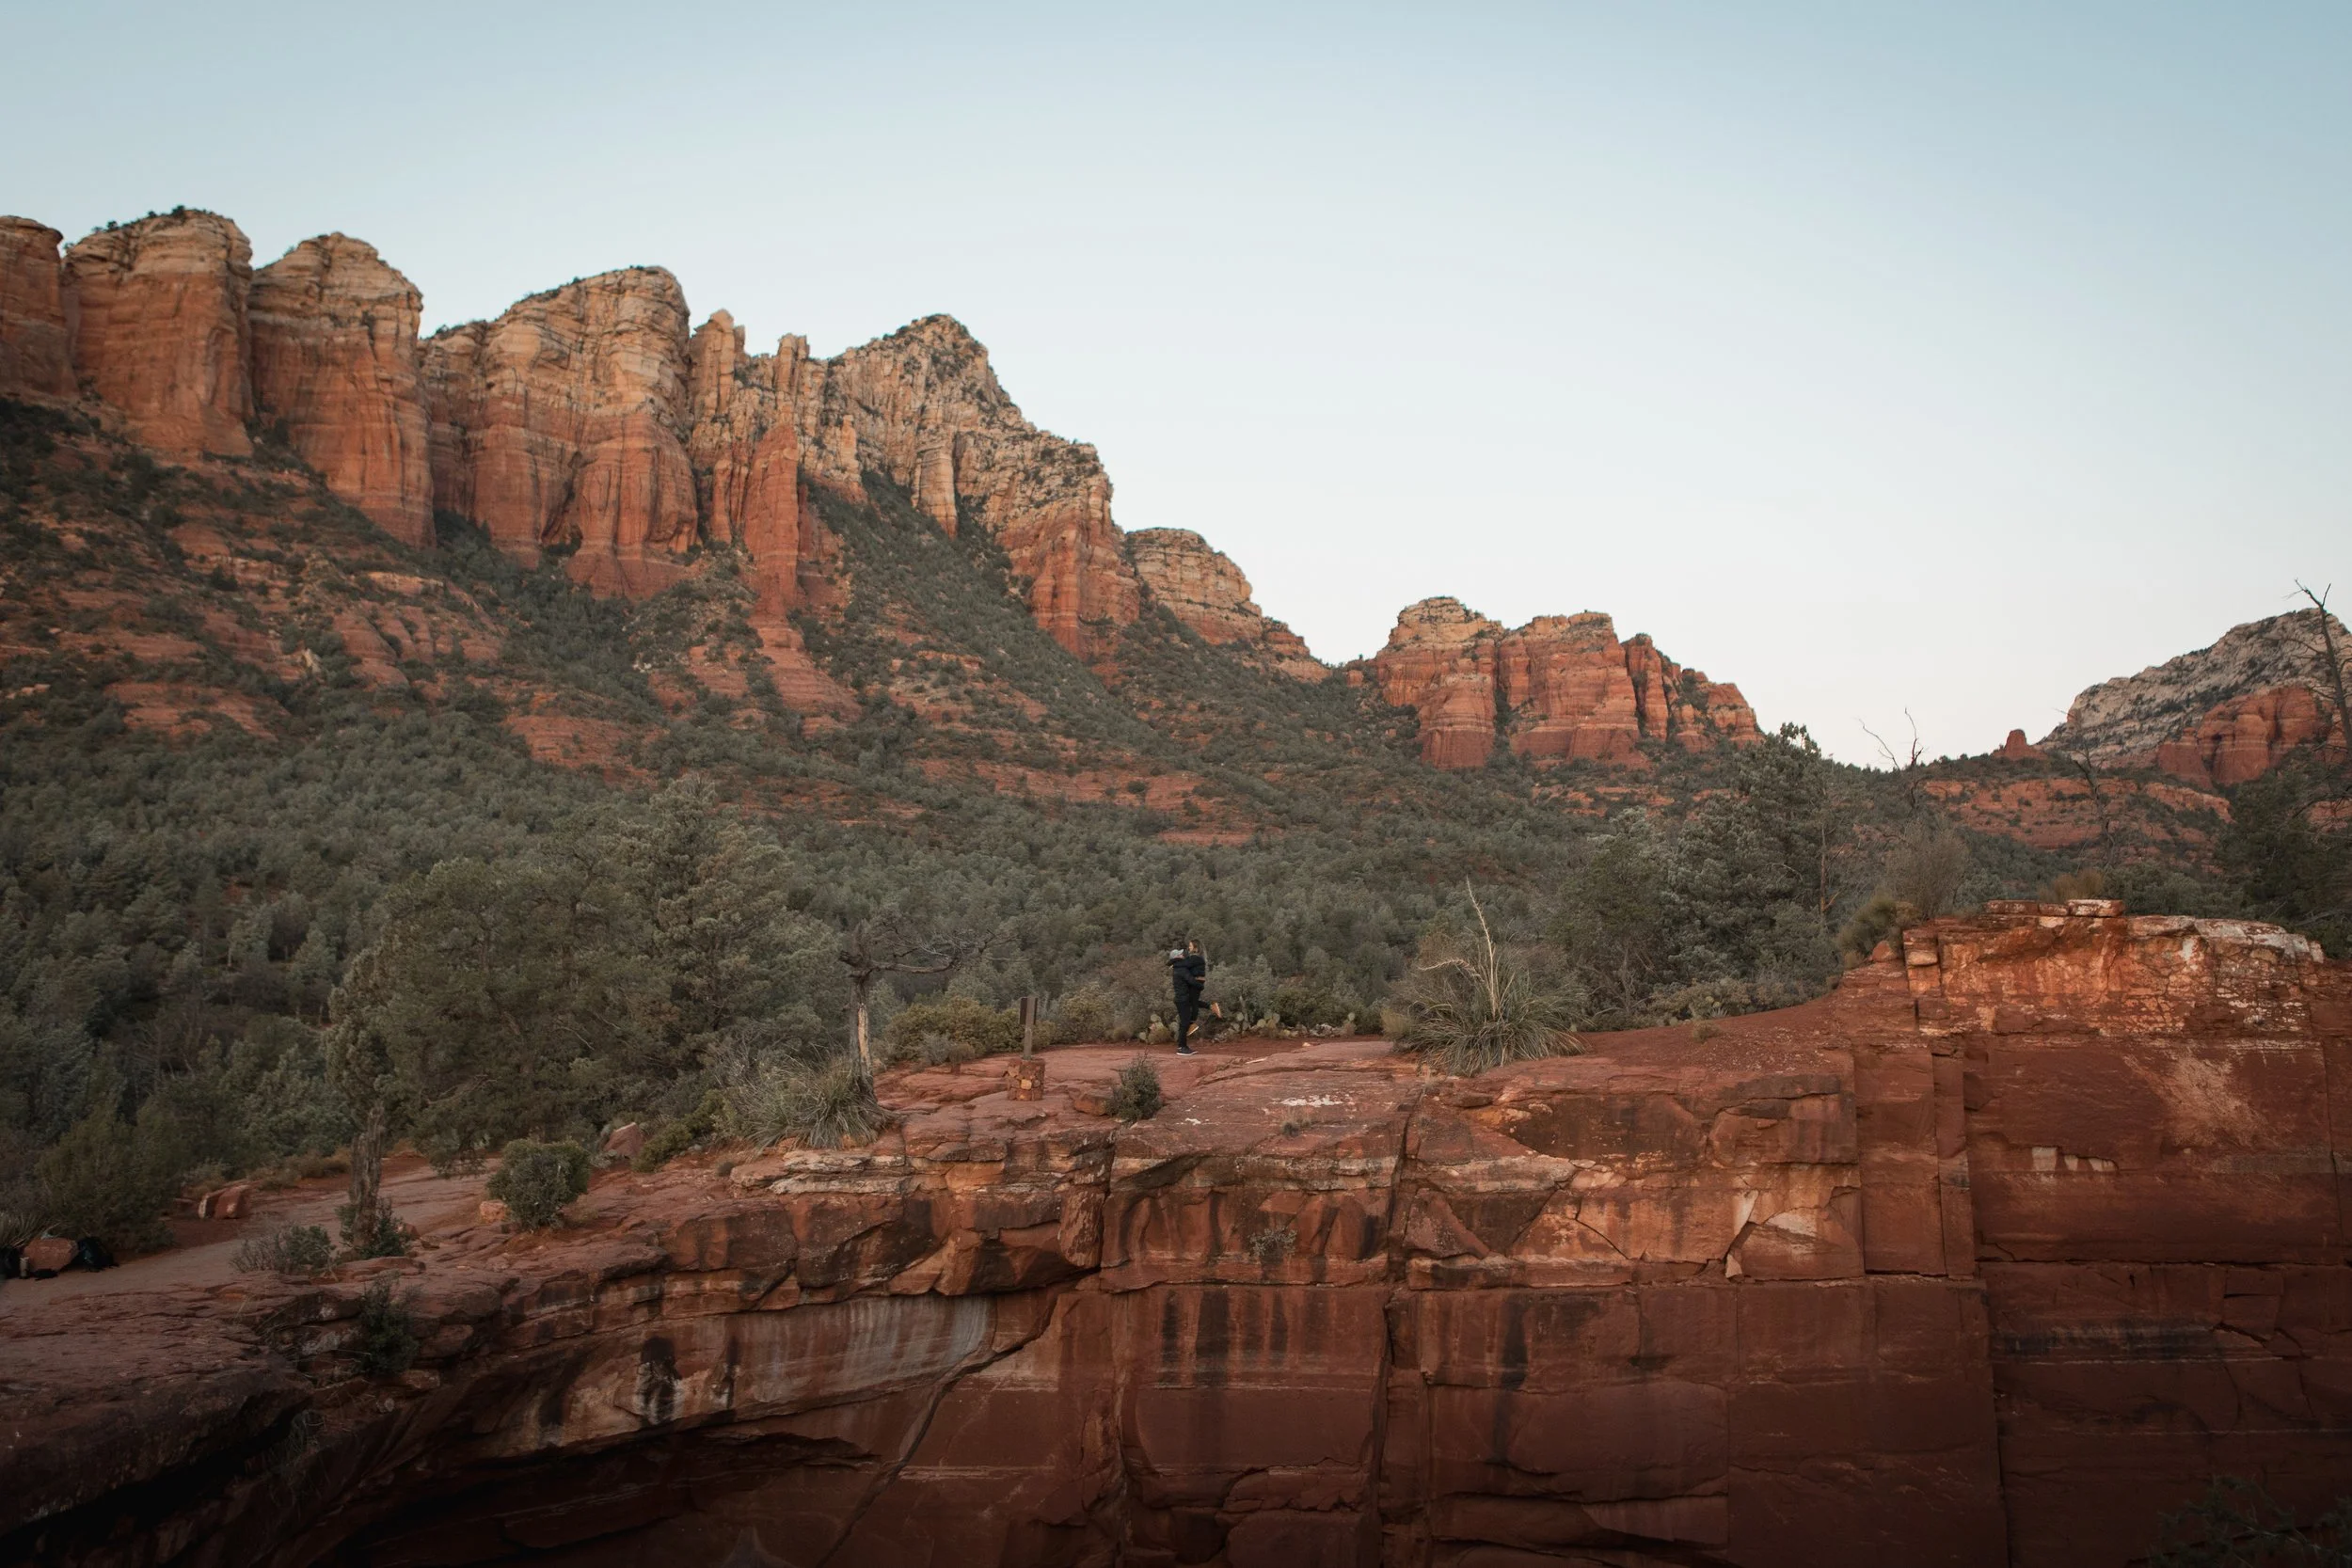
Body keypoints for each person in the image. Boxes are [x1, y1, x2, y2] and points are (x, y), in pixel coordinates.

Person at [1168, 939, 1207, 1054]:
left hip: (1180, 998)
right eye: (1180, 954)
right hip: (1183, 998)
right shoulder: (1181, 969)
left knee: (1184, 1022)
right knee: (1185, 1022)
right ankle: (1182, 1047)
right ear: (1177, 957)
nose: (1183, 954)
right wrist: (1200, 986)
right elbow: (1191, 980)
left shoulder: (1177, 969)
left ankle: (1182, 1046)